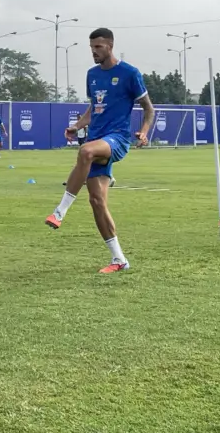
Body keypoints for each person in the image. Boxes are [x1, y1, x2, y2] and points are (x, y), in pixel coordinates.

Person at [45, 28, 154, 274]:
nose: (94, 52)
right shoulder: (92, 75)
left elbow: (149, 108)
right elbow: (94, 108)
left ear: (110, 46)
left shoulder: (130, 73)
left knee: (85, 152)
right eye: (92, 47)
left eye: (98, 47)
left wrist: (144, 131)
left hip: (117, 139)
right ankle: (119, 260)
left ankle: (59, 211)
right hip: (97, 139)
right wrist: (76, 126)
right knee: (97, 201)